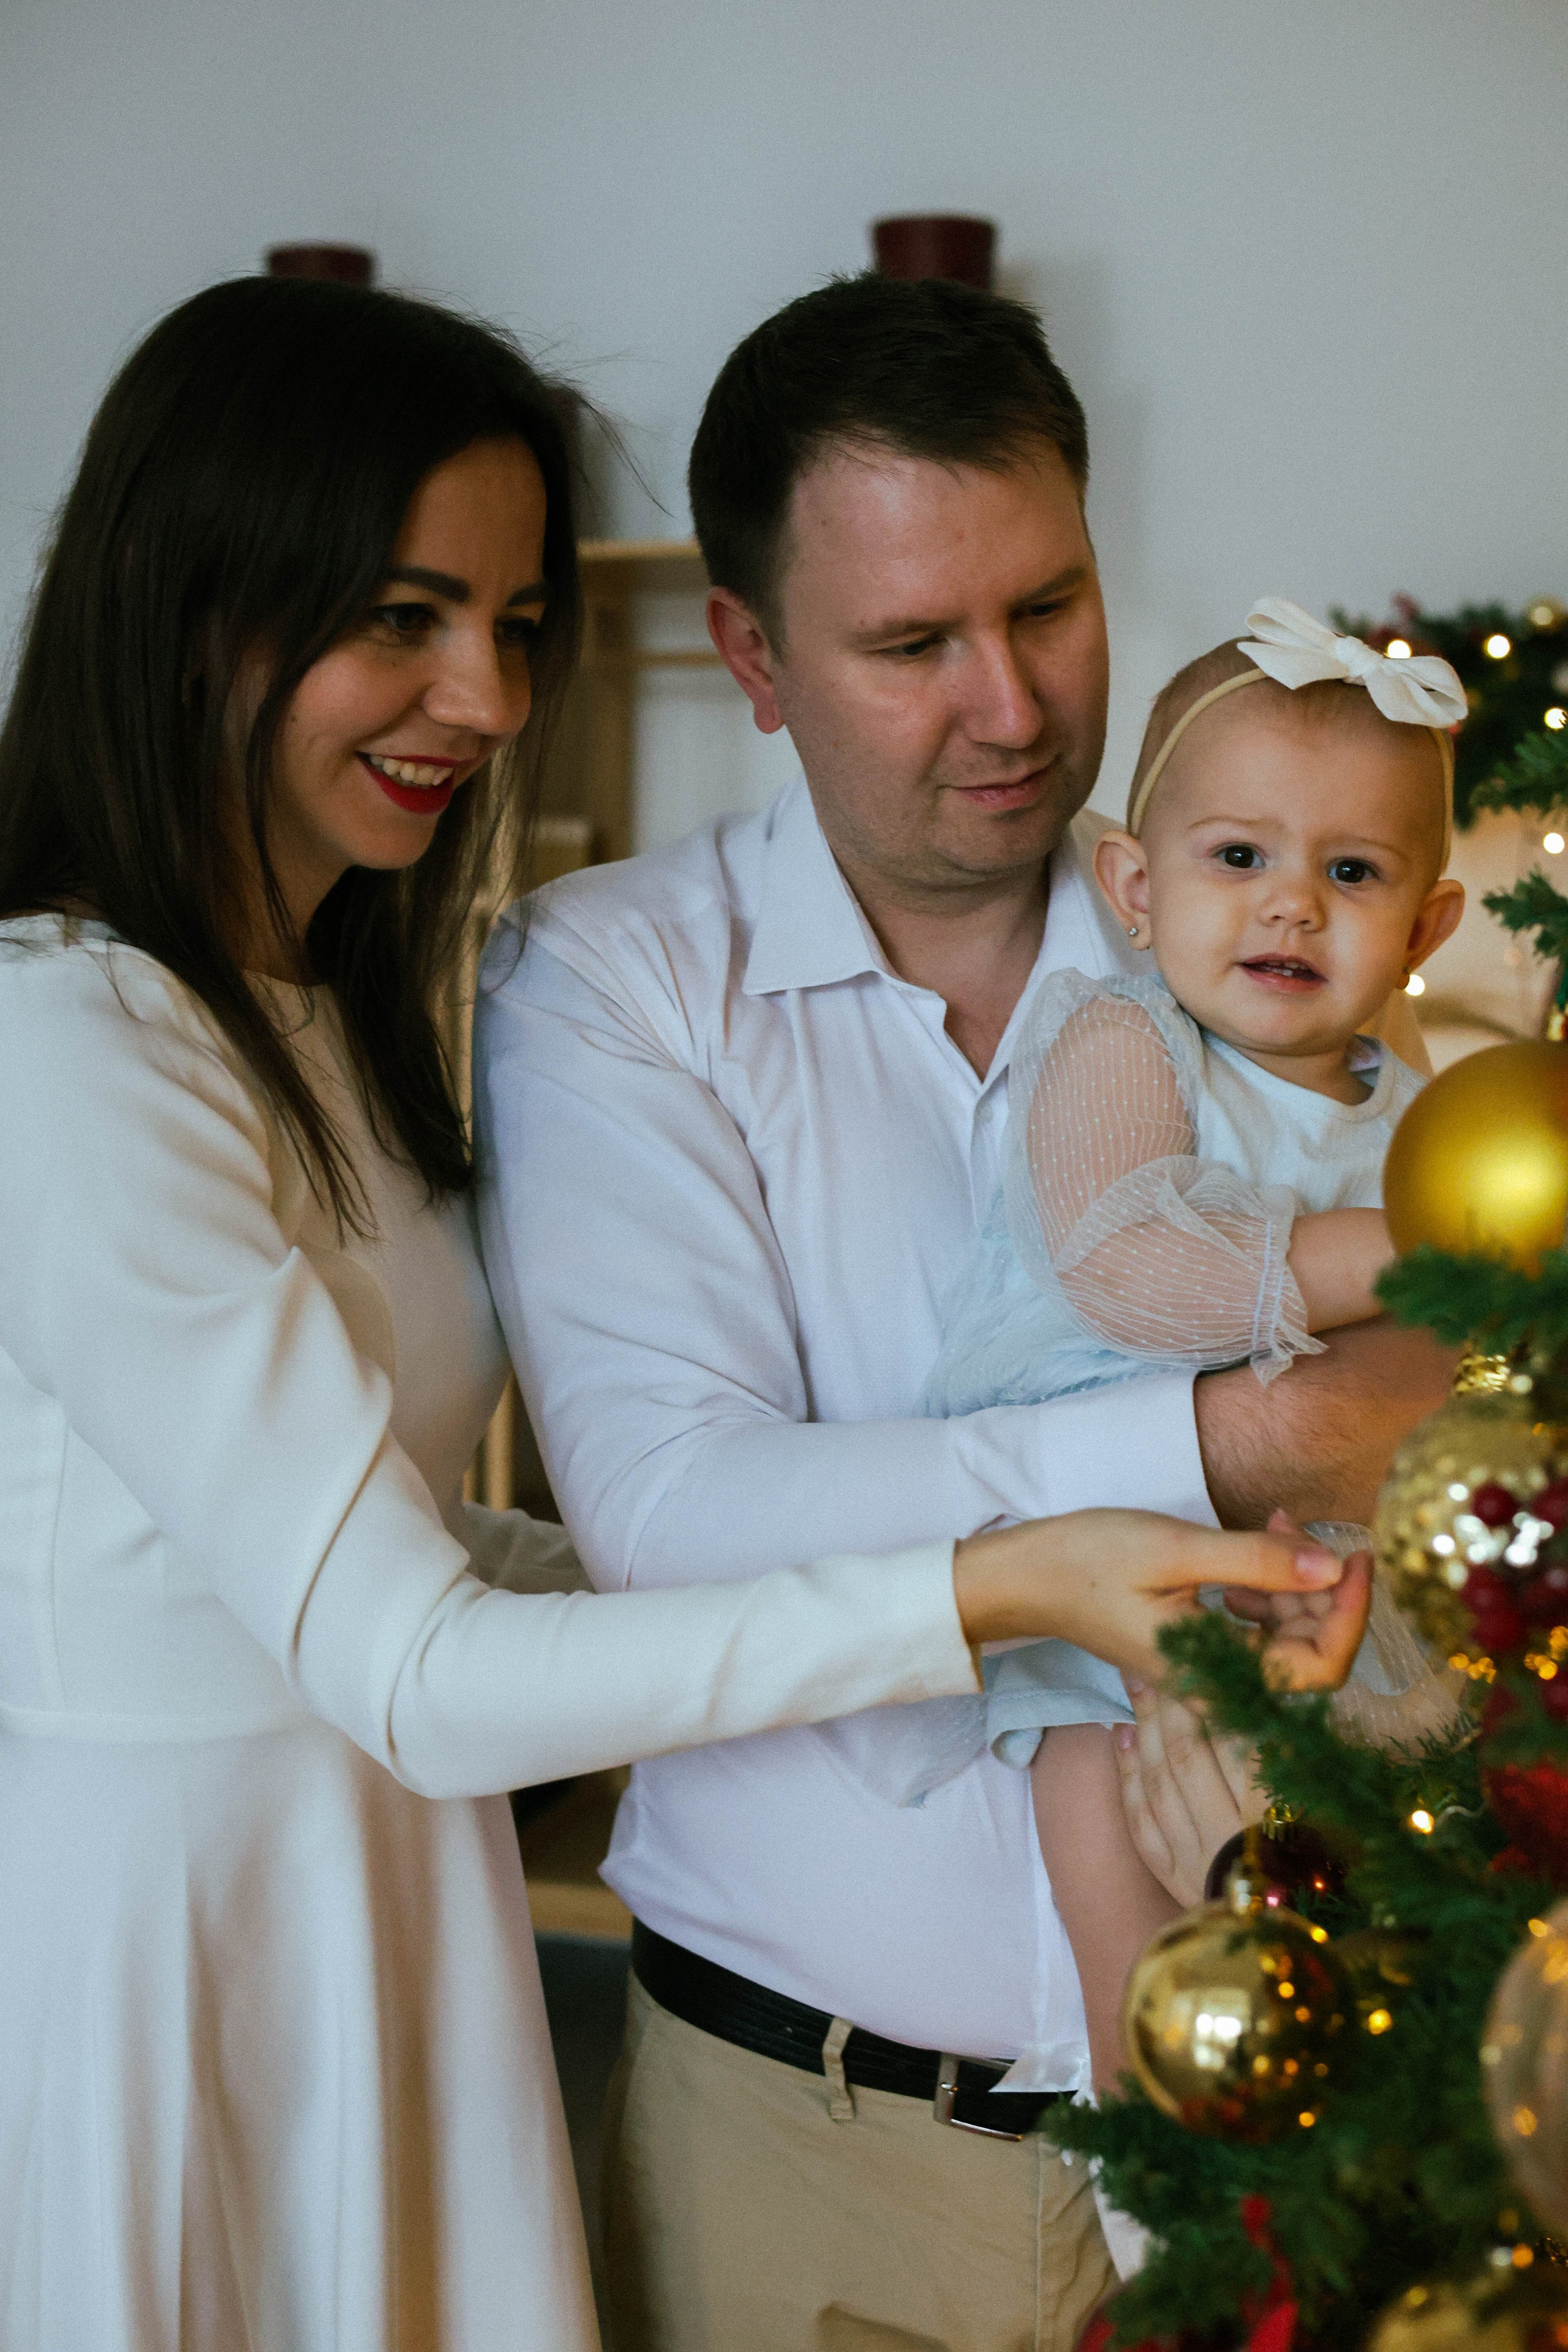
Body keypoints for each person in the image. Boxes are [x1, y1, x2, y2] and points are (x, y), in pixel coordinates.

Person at [0, 276, 1349, 2352]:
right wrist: (1019, 1576)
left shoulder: (311, 1015)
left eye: (516, 623)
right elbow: (461, 1633)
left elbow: (409, 1541)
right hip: (187, 1946)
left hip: (389, 1903)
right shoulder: (80, 1040)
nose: (482, 694)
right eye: (400, 616)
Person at [474, 276, 1453, 2352]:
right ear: (750, 655)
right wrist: (1237, 1441)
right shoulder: (622, 984)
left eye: (1049, 606)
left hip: (1303, 2098)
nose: (1009, 705)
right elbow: (673, 1510)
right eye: (914, 645)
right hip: (815, 2152)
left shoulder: (1273, 934)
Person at [890, 599, 1468, 2090]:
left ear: (1425, 927)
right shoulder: (1121, 1039)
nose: (1289, 906)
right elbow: (1128, 1266)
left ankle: (1291, 2232)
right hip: (1114, 1600)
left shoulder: (1421, 1114)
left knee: (1340, 1952)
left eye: (1348, 872)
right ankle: (1154, 2207)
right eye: (1238, 859)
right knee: (1142, 1953)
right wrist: (1409, 1258)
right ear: (1133, 887)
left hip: (1339, 1604)